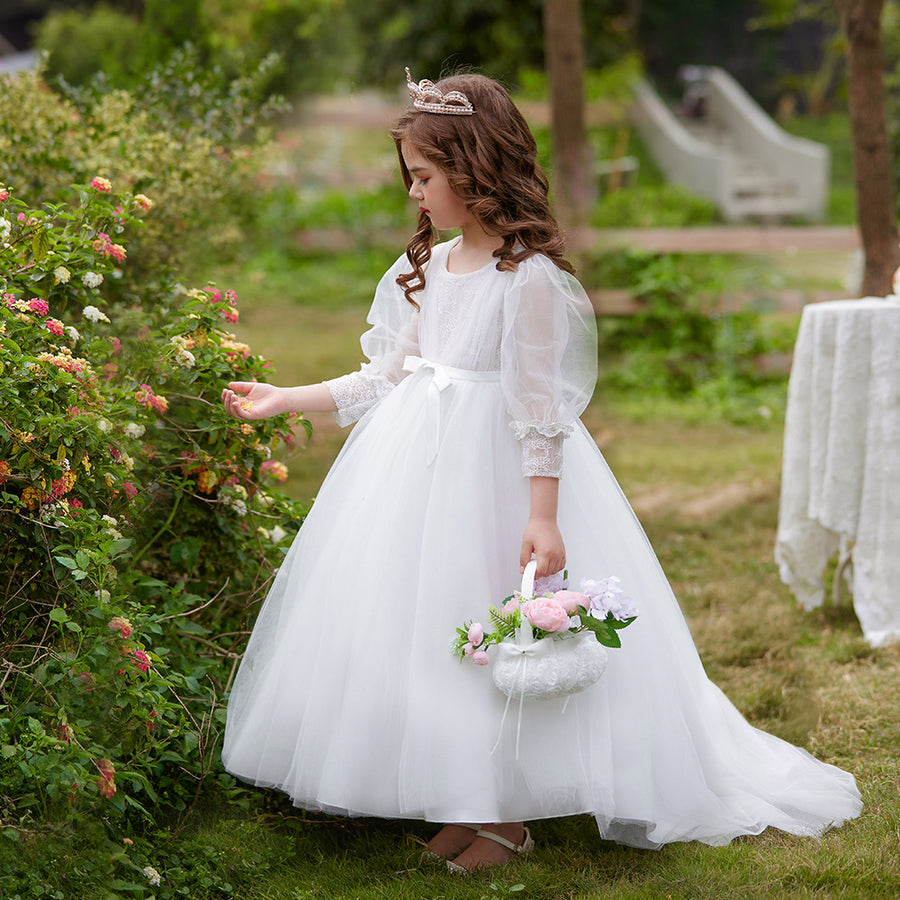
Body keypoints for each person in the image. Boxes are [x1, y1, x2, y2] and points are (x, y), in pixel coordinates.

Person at [220, 69, 861, 873]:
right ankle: (464, 798)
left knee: (501, 626)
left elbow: (540, 410)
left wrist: (544, 514)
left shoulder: (528, 283)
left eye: (424, 177)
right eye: (411, 179)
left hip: (496, 477)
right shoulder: (429, 269)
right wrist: (287, 398)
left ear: (473, 169)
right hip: (414, 472)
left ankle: (510, 815)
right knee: (431, 635)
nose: (415, 195)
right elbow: (387, 375)